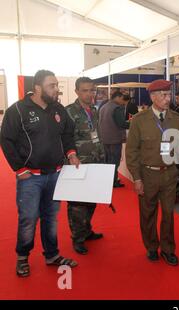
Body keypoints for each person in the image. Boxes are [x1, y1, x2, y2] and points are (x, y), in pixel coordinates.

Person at [0, 70, 80, 277]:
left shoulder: (59, 109)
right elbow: (6, 140)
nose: (57, 89)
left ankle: (52, 255)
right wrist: (19, 168)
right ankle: (22, 258)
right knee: (28, 218)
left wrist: (71, 153)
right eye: (52, 85)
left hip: (55, 175)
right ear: (37, 87)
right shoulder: (17, 110)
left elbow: (67, 134)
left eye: (57, 85)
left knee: (51, 218)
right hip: (30, 178)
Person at [126, 79, 179, 266]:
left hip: (169, 173)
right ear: (153, 97)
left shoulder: (176, 118)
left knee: (168, 214)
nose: (168, 99)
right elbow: (132, 151)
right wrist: (136, 178)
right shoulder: (139, 120)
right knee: (148, 213)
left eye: (169, 95)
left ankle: (168, 249)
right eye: (164, 95)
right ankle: (151, 246)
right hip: (147, 174)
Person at [65, 77, 105, 255]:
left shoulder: (94, 110)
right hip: (78, 165)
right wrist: (71, 156)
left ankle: (87, 231)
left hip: (95, 163)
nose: (90, 94)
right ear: (77, 92)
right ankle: (78, 238)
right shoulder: (69, 112)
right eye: (85, 90)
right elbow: (64, 140)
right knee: (77, 205)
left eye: (92, 90)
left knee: (91, 201)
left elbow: (96, 135)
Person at [99, 91, 130, 188]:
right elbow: (121, 124)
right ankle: (113, 182)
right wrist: (132, 123)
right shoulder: (117, 108)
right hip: (114, 139)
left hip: (104, 138)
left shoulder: (104, 106)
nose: (122, 101)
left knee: (108, 161)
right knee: (114, 161)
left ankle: (107, 180)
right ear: (118, 97)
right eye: (122, 98)